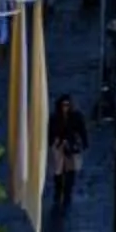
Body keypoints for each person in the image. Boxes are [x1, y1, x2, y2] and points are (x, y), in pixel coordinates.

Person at [47, 94, 88, 223]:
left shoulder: (76, 117)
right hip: (59, 146)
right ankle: (58, 193)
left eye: (67, 105)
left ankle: (67, 195)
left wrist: (84, 142)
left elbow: (82, 130)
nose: (65, 108)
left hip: (71, 146)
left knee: (70, 171)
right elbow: (50, 132)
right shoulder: (55, 118)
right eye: (63, 105)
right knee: (58, 171)